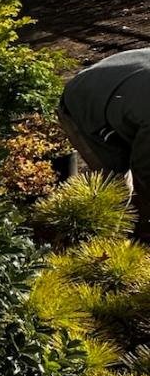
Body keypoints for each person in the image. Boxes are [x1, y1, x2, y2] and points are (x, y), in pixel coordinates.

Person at [57, 48, 150, 241]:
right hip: (85, 101)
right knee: (118, 191)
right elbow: (145, 168)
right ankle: (111, 252)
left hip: (125, 89)